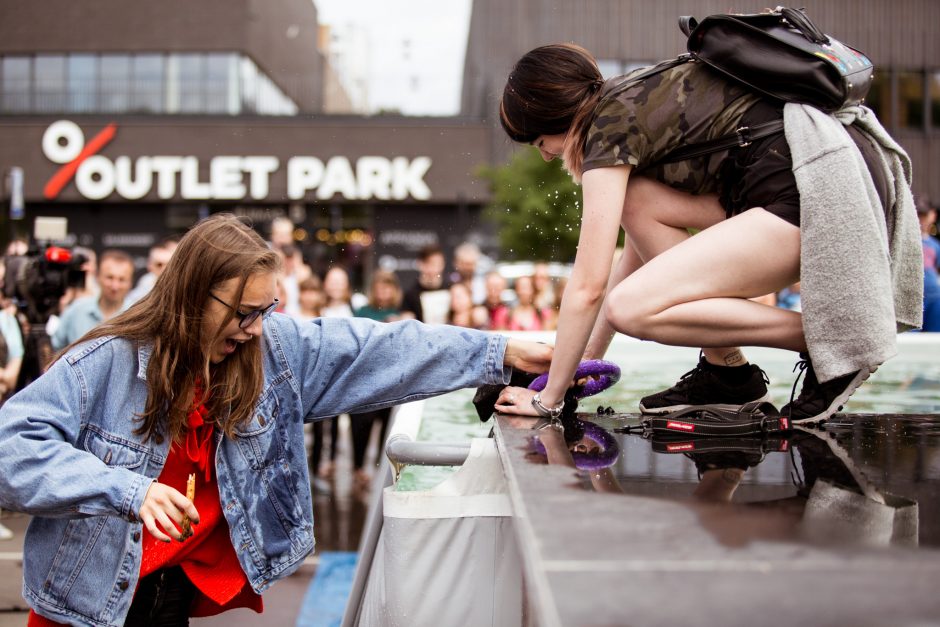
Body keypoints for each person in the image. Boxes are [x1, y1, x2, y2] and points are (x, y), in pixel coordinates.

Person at [0, 213, 551, 626]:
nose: (256, 329)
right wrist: (126, 489)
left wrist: (502, 352)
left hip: (168, 598)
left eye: (266, 312)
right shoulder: (106, 362)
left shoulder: (269, 352)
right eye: (243, 313)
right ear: (193, 295)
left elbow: (380, 348)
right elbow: (10, 448)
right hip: (85, 606)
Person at [493, 43, 922, 425]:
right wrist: (583, 365)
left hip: (822, 200)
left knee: (632, 309)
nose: (547, 157)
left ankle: (833, 340)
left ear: (554, 117)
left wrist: (548, 401)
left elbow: (588, 285)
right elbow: (634, 258)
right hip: (825, 186)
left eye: (539, 143)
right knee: (637, 205)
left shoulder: (605, 129)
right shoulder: (628, 100)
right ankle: (728, 374)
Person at [51, 249, 135, 351]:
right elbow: (53, 348)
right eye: (109, 277)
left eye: (122, 279)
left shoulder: (136, 316)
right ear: (98, 276)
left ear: (130, 282)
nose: (115, 286)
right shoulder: (76, 310)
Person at [401, 243, 450, 323]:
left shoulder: (452, 290)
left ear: (443, 264)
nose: (432, 270)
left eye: (436, 264)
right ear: (420, 264)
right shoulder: (410, 295)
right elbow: (407, 323)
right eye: (428, 264)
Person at [126, 238, 179, 304]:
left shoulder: (179, 284)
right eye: (159, 265)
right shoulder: (146, 282)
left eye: (169, 265)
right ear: (150, 266)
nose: (164, 269)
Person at [917, 197, 940, 331]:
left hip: (934, 295)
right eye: (919, 215)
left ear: (933, 215)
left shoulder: (935, 245)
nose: (922, 219)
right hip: (913, 295)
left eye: (925, 215)